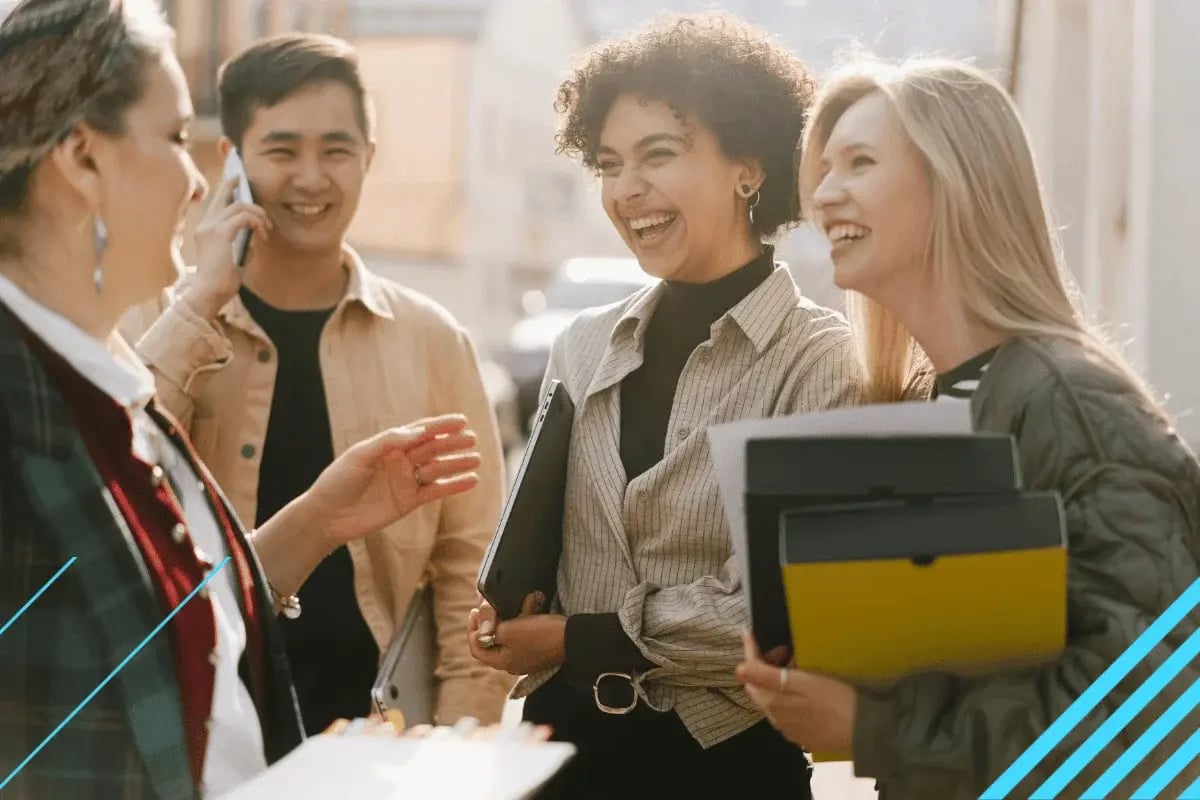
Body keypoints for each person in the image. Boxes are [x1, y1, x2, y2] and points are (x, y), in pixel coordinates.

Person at [0, 1, 484, 797]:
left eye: (337, 148)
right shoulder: (39, 405)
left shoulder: (104, 384)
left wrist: (321, 519)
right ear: (83, 160)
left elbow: (170, 616)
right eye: (171, 138)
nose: (196, 183)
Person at [737, 56, 1200, 799]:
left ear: (956, 182)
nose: (823, 195)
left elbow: (1157, 723)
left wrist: (873, 733)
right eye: (823, 168)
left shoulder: (1072, 403)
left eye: (859, 162)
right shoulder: (933, 404)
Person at [467, 13, 862, 799]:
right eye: (609, 163)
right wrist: (509, 608)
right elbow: (546, 542)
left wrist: (573, 638)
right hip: (559, 756)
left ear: (748, 167)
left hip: (725, 771)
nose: (626, 190)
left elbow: (775, 613)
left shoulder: (820, 360)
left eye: (659, 155)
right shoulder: (579, 344)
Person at [124, 32, 511, 733]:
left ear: (370, 156)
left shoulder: (431, 339)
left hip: (376, 738)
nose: (311, 177)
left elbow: (473, 575)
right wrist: (202, 301)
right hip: (198, 725)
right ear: (231, 163)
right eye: (281, 150)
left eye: (336, 149)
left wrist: (461, 747)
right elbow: (111, 479)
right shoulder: (158, 317)